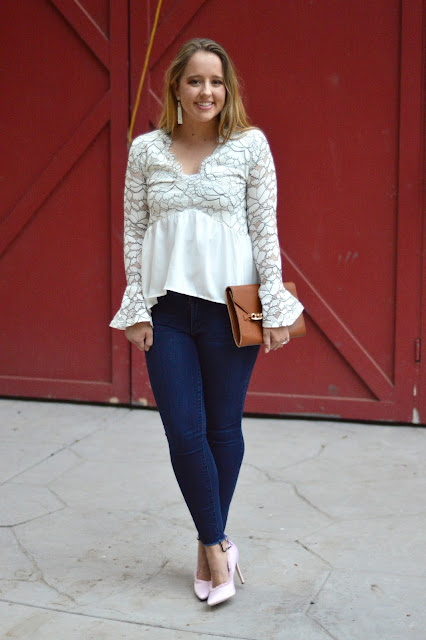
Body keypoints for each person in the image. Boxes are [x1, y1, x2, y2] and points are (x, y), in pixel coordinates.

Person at [110, 38, 304, 606]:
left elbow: (265, 230)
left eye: (216, 81)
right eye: (194, 80)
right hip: (167, 310)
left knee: (222, 429)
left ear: (228, 89)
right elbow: (134, 231)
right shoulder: (146, 151)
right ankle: (218, 544)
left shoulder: (249, 146)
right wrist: (136, 306)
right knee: (183, 431)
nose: (206, 91)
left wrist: (274, 307)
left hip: (232, 308)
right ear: (176, 87)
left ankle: (207, 544)